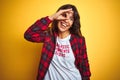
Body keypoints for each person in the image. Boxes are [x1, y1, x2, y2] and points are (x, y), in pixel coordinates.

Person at [24, 4, 91, 80]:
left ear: (73, 23)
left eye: (71, 19)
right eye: (64, 15)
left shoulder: (79, 40)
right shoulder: (49, 35)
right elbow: (28, 35)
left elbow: (84, 64)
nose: (66, 20)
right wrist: (52, 17)